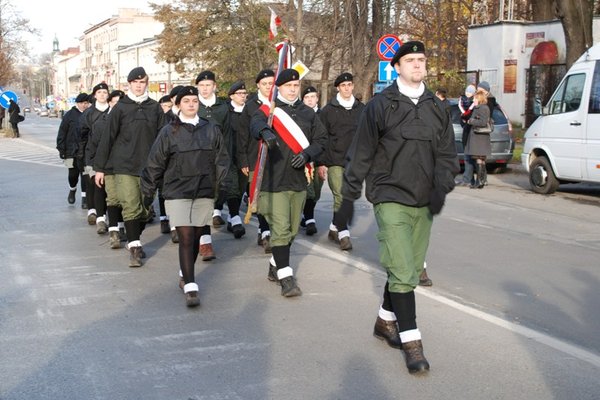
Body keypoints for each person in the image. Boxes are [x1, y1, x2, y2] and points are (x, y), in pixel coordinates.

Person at [335, 41, 459, 374]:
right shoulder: (380, 105)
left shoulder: (437, 106)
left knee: (408, 267)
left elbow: (447, 155)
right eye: (411, 60)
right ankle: (412, 342)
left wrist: (442, 188)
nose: (418, 65)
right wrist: (347, 200)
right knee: (405, 271)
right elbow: (360, 153)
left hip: (425, 200)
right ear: (398, 67)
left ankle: (385, 321)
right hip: (390, 197)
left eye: (422, 60)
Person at [141, 86, 229, 307]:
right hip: (177, 190)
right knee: (186, 236)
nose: (191, 104)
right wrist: (148, 191)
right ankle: (190, 284)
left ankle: (184, 272)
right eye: (186, 101)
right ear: (178, 105)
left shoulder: (211, 129)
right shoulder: (168, 132)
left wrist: (222, 185)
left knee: (198, 235)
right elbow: (155, 162)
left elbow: (222, 159)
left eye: (194, 100)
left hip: (204, 189)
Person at [250, 68, 327, 297]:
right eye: (288, 86)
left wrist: (308, 154)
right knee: (281, 229)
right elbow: (255, 124)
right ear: (279, 88)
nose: (293, 89)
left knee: (292, 230)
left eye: (296, 86)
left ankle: (275, 264)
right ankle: (286, 275)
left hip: (298, 180)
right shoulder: (269, 111)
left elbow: (321, 140)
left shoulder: (308, 113)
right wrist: (266, 132)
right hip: (274, 180)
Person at [94, 67, 164, 268]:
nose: (139, 86)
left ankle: (134, 237)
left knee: (144, 208)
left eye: (142, 82)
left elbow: (163, 138)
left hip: (149, 166)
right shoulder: (121, 108)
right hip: (123, 165)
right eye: (135, 82)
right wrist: (100, 168)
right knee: (131, 204)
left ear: (146, 83)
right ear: (129, 84)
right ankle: (134, 247)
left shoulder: (154, 107)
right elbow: (107, 137)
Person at [319, 73, 365, 250]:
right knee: (341, 195)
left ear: (353, 86)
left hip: (354, 160)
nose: (347, 88)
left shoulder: (361, 109)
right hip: (334, 160)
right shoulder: (328, 111)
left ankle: (333, 227)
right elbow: (322, 138)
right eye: (343, 85)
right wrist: (321, 163)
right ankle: (344, 233)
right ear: (337, 88)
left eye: (349, 84)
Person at [195, 70, 231, 260]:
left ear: (215, 86)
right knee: (202, 201)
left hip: (219, 160)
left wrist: (227, 160)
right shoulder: (193, 105)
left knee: (216, 196)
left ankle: (201, 235)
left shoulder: (223, 107)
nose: (205, 88)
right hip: (197, 160)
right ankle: (205, 242)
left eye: (208, 85)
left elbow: (228, 136)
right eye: (201, 85)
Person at [238, 69, 275, 253]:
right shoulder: (251, 106)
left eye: (271, 83)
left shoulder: (279, 103)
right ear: (258, 85)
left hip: (275, 159)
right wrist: (243, 160)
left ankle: (267, 229)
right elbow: (243, 134)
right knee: (258, 196)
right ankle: (265, 230)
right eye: (265, 83)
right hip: (255, 157)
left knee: (272, 195)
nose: (268, 87)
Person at [80, 83, 110, 230]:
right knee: (96, 184)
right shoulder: (89, 113)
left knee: (106, 187)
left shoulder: (113, 111)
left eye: (105, 92)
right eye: (100, 92)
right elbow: (82, 135)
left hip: (110, 156)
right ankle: (99, 216)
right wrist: (83, 156)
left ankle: (102, 214)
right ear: (95, 95)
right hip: (91, 154)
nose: (103, 95)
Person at [299, 86, 324, 236]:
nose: (310, 99)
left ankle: (306, 215)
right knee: (308, 190)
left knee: (316, 191)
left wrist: (323, 162)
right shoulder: (299, 114)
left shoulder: (323, 114)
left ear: (317, 99)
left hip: (319, 158)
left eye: (313, 97)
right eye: (307, 97)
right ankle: (309, 219)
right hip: (304, 158)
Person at [56, 93, 89, 207]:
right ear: (77, 103)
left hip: (85, 152)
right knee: (72, 174)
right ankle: (72, 190)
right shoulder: (69, 115)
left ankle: (85, 199)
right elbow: (62, 133)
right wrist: (61, 150)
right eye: (82, 103)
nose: (84, 105)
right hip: (70, 152)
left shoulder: (90, 114)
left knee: (86, 174)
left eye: (86, 103)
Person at [226, 80, 249, 239]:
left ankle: (231, 217)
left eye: (244, 93)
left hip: (245, 156)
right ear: (231, 96)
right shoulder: (227, 112)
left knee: (241, 187)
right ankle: (235, 218)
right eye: (239, 94)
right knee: (232, 187)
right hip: (230, 155)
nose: (242, 96)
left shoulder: (250, 112)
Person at [465, 89, 492, 189]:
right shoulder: (479, 107)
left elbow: (483, 122)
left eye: (475, 98)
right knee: (480, 159)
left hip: (480, 137)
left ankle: (480, 181)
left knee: (480, 159)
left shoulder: (483, 108)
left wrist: (471, 121)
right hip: (478, 136)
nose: (473, 100)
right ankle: (482, 180)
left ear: (479, 98)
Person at [456, 84, 477, 186]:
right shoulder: (462, 103)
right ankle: (469, 179)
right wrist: (464, 120)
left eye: (470, 92)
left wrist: (467, 119)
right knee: (468, 157)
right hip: (467, 133)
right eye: (467, 92)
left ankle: (473, 179)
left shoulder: (476, 105)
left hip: (473, 134)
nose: (467, 94)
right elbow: (462, 120)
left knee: (471, 158)